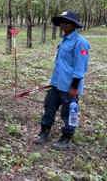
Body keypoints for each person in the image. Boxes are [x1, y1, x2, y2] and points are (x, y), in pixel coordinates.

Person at [34, 10, 90, 149]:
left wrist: (74, 87)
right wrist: (53, 81)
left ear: (73, 25)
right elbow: (61, 64)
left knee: (69, 112)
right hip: (57, 83)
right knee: (49, 108)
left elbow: (80, 67)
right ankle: (44, 132)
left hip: (70, 86)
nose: (63, 25)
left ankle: (66, 137)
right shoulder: (64, 40)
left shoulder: (80, 43)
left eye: (67, 22)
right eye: (62, 22)